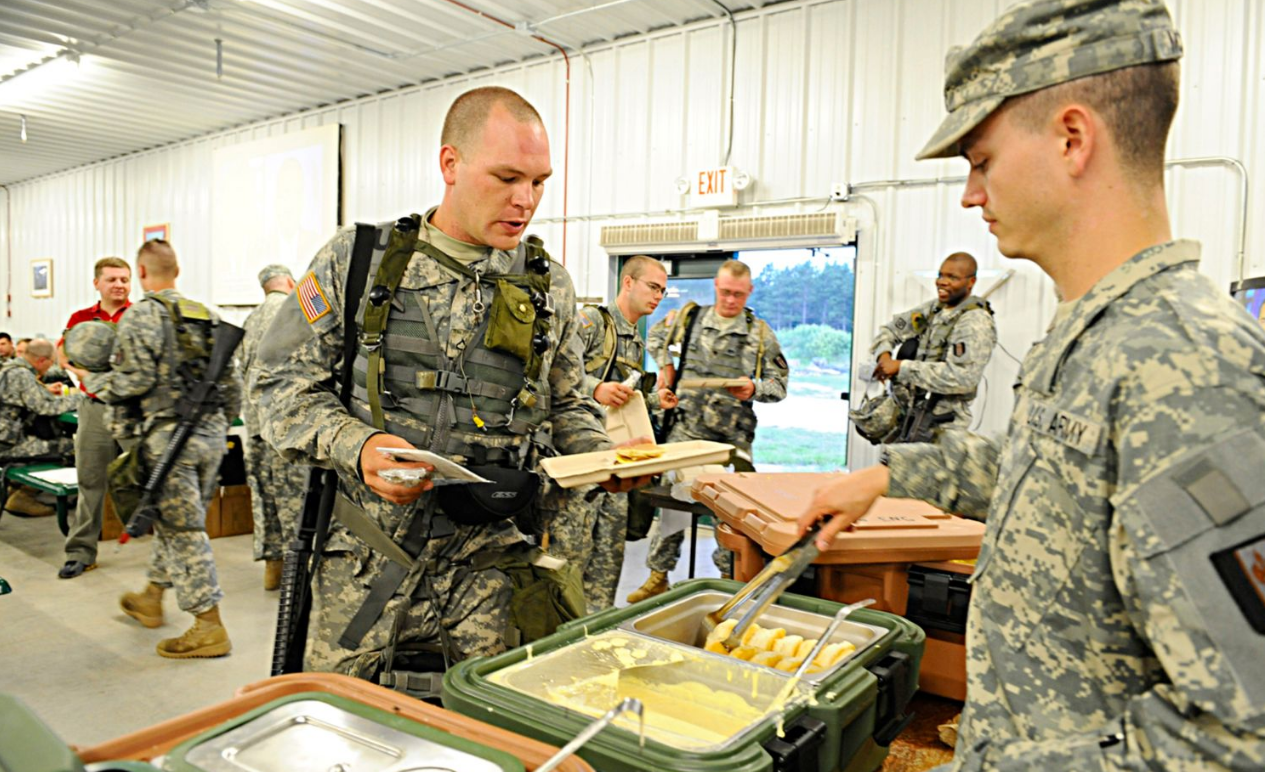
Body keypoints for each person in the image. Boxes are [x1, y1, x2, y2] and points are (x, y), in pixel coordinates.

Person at [800, 1, 1265, 769]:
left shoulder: (1190, 369)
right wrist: (884, 477)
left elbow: (1240, 733)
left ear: (1071, 139)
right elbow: (1040, 469)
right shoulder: (1092, 334)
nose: (969, 195)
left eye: (980, 160)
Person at [252, 86, 639, 686]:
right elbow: (278, 387)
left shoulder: (549, 286)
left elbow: (568, 406)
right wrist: (358, 446)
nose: (526, 200)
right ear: (450, 165)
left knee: (485, 726)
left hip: (490, 564)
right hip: (364, 562)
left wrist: (602, 458)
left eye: (539, 182)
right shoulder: (358, 261)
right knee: (339, 719)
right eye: (507, 177)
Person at [72, 239, 242, 659]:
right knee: (176, 520)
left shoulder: (142, 315)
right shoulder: (208, 315)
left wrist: (93, 383)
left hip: (169, 441)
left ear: (141, 274)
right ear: (177, 271)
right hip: (212, 436)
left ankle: (208, 625)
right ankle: (152, 595)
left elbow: (132, 381)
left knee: (183, 530)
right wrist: (217, 425)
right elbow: (233, 385)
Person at [627, 259, 789, 602]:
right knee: (672, 502)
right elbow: (656, 336)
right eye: (726, 292)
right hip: (686, 430)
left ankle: (728, 580)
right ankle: (658, 575)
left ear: (750, 292)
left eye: (739, 295)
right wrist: (666, 365)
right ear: (717, 287)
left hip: (732, 439)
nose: (731, 300)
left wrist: (754, 388)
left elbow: (780, 386)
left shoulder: (760, 333)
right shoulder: (688, 320)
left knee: (731, 513)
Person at [547, 255, 679, 613]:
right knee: (569, 558)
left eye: (663, 291)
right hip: (581, 464)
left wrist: (652, 400)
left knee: (608, 558)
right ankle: (558, 637)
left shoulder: (635, 340)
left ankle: (595, 631)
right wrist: (595, 388)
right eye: (653, 287)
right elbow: (552, 377)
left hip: (617, 463)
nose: (657, 297)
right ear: (628, 283)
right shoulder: (590, 322)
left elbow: (620, 400)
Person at [862, 252, 996, 443]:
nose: (942, 282)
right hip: (908, 418)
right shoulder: (934, 309)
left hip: (942, 429)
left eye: (953, 277)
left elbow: (962, 377)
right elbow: (889, 330)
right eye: (941, 275)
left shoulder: (975, 321)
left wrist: (901, 367)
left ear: (971, 282)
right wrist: (884, 357)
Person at [58, 256, 134, 579]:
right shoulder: (81, 318)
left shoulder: (140, 316)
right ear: (97, 283)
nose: (119, 284)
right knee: (90, 481)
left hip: (133, 410)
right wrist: (80, 374)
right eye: (112, 279)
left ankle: (168, 559)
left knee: (151, 479)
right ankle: (80, 553)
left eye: (125, 279)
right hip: (94, 410)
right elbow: (63, 351)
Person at [239, 264, 307, 590]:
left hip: (253, 425)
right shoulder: (294, 311)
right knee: (294, 499)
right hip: (286, 426)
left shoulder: (250, 319)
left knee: (264, 498)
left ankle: (273, 568)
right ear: (291, 283)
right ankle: (297, 577)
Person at [0, 338, 81, 517]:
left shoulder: (9, 369)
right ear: (41, 360)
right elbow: (46, 407)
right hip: (8, 445)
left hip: (6, 440)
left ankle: (15, 489)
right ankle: (23, 496)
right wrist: (84, 398)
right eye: (51, 363)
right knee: (71, 447)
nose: (50, 368)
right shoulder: (21, 375)